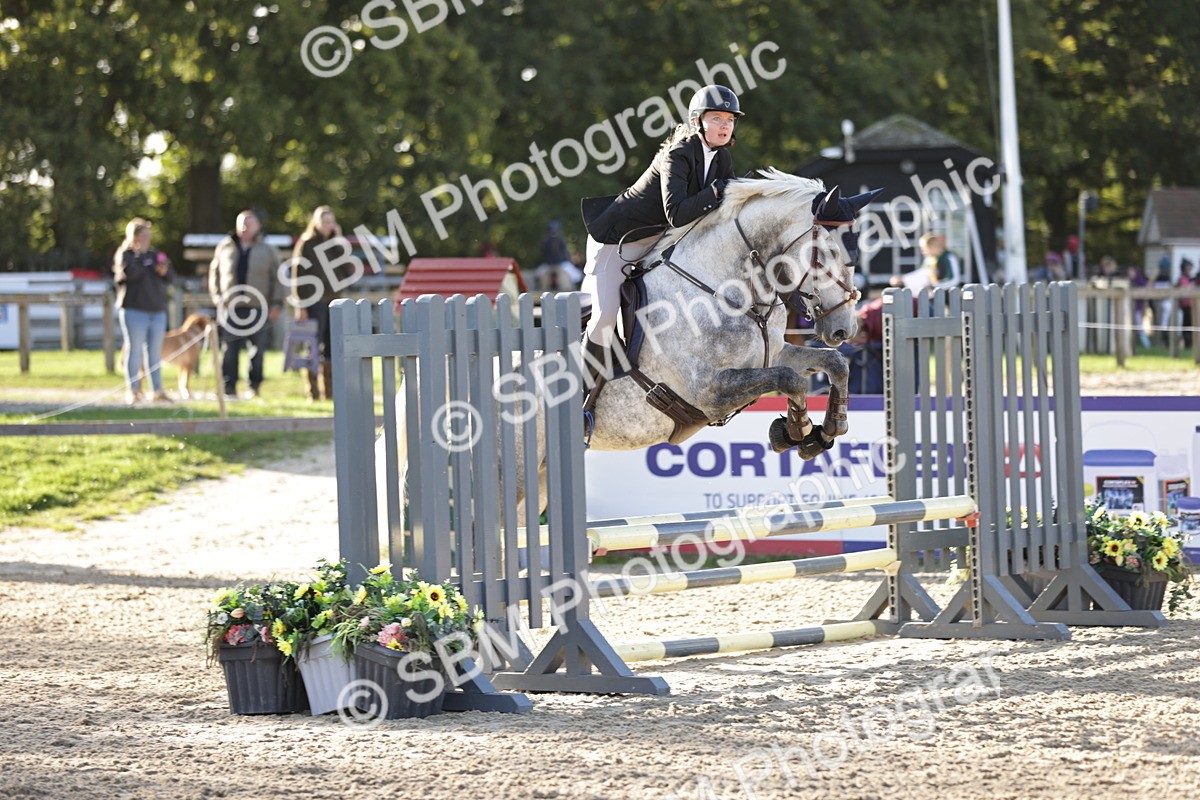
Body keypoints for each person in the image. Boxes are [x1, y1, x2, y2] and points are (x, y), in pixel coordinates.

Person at [579, 84, 740, 382]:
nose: (724, 125)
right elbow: (677, 213)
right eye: (717, 118)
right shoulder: (677, 154)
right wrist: (715, 192)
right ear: (697, 121)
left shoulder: (721, 159)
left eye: (730, 120)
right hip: (619, 240)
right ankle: (580, 396)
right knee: (604, 317)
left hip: (661, 242)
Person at [209, 209, 282, 399]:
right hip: (230, 307)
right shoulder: (225, 247)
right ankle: (229, 387)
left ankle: (254, 386)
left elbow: (279, 278)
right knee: (230, 349)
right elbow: (214, 274)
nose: (244, 228)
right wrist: (217, 298)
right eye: (241, 223)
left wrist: (277, 304)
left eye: (249, 224)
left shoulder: (267, 249)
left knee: (257, 350)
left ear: (258, 226)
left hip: (258, 306)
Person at [113, 217, 175, 404]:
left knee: (154, 352)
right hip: (134, 310)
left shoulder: (157, 255)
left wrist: (164, 271)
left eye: (149, 235)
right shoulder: (126, 255)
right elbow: (130, 275)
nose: (148, 238)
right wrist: (140, 258)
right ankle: (133, 390)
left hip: (156, 309)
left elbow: (170, 278)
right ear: (135, 236)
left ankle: (157, 390)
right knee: (135, 350)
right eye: (144, 235)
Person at [291, 205, 347, 401]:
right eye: (324, 221)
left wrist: (339, 242)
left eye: (331, 222)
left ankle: (329, 392)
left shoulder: (336, 244)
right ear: (316, 222)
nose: (327, 225)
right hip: (312, 302)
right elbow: (298, 276)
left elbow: (348, 271)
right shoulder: (306, 243)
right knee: (312, 346)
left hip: (334, 302)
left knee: (331, 347)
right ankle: (312, 392)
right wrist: (300, 305)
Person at [533, 219, 582, 292]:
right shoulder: (557, 239)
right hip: (552, 264)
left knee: (576, 275)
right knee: (576, 275)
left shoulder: (547, 240)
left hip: (556, 263)